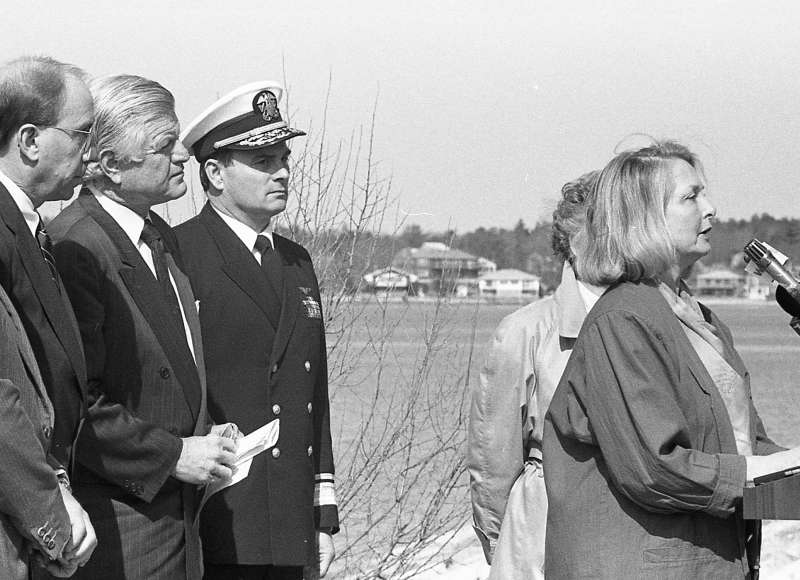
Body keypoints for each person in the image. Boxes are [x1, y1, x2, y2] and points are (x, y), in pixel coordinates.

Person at [543, 140, 800, 578]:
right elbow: (652, 468)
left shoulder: (700, 319)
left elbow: (741, 443)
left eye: (706, 193)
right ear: (644, 218)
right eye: (691, 197)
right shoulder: (623, 320)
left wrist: (782, 463)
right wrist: (761, 470)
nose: (712, 208)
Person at [48, 74, 237, 580]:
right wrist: (174, 454)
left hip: (176, 521)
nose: (182, 155)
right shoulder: (77, 248)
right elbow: (78, 403)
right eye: (163, 145)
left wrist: (202, 434)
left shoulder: (158, 237)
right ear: (110, 165)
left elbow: (169, 367)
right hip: (122, 526)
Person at [175, 81, 338, 579]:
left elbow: (314, 392)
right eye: (263, 161)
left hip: (290, 519)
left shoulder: (296, 262)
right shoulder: (180, 254)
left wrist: (322, 513)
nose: (283, 172)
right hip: (218, 513)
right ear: (215, 173)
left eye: (284, 158)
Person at [468, 171, 601, 579]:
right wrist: (504, 541)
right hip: (541, 530)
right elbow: (493, 459)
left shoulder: (651, 321)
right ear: (574, 242)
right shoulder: (524, 330)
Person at [0, 54, 97, 579]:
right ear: (30, 140)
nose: (92, 149)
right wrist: (51, 515)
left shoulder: (28, 226)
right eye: (82, 133)